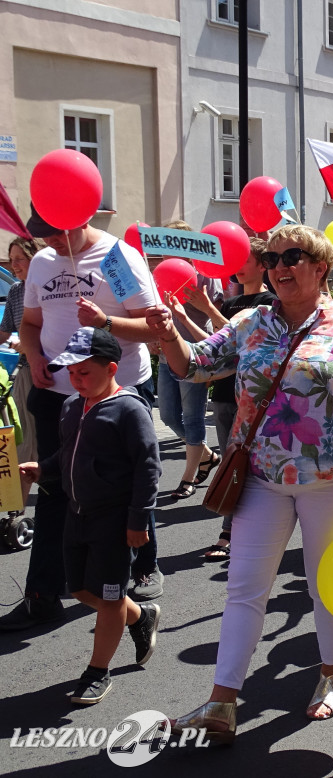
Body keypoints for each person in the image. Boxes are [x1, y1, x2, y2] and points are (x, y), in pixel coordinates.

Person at [149, 224, 333, 741]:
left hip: (332, 478)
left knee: (326, 585)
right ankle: (222, 703)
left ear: (321, 267)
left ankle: (330, 674)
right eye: (272, 257)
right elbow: (195, 368)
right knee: (243, 589)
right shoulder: (250, 322)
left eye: (293, 256)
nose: (279, 265)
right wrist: (169, 334)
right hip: (258, 476)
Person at [0, 206, 164, 631]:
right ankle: (42, 594)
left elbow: (154, 330)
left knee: (124, 482)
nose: (49, 241)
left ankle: (144, 564)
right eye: (43, 233)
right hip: (56, 390)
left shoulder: (119, 258)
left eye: (55, 232)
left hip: (118, 391)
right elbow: (31, 322)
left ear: (77, 217)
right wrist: (35, 358)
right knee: (56, 485)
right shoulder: (40, 261)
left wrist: (105, 321)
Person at [19, 327, 161, 704]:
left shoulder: (130, 409)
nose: (76, 380)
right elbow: (68, 454)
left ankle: (98, 671)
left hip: (114, 521)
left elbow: (148, 468)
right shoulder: (69, 406)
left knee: (110, 597)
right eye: (71, 373)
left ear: (112, 368)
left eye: (84, 372)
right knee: (80, 590)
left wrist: (137, 520)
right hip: (76, 514)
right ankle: (139, 617)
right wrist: (43, 468)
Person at [185, 236, 276, 560]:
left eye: (244, 259)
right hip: (224, 395)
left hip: (250, 398)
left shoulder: (268, 302)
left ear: (262, 264)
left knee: (246, 468)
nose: (236, 266)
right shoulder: (230, 303)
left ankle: (233, 534)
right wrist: (179, 322)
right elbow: (216, 345)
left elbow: (244, 341)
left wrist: (207, 307)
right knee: (230, 465)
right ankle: (236, 530)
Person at [157, 220, 223, 500]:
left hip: (196, 353)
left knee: (194, 417)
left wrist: (200, 304)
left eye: (173, 243)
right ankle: (206, 456)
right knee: (168, 415)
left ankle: (189, 476)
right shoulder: (159, 273)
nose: (167, 251)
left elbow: (219, 316)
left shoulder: (204, 273)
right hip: (165, 353)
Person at [1, 236, 44, 510]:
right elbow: (4, 332)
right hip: (26, 375)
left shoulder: (49, 288)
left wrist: (27, 344)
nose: (13, 264)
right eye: (11, 258)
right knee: (24, 441)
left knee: (47, 441)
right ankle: (15, 508)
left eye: (19, 259)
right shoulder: (16, 291)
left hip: (58, 375)